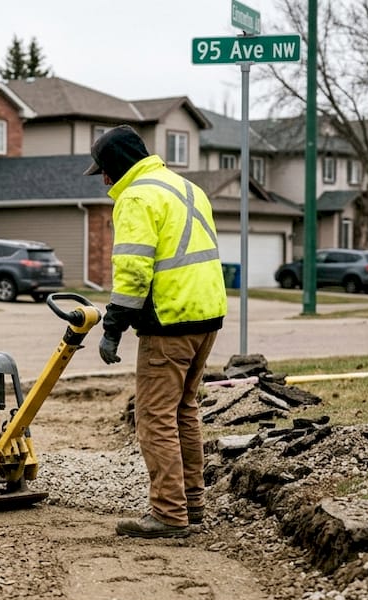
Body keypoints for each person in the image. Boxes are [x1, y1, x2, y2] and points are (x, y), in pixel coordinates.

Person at [84, 125, 227, 539]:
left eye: (105, 172)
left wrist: (112, 326)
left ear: (117, 167)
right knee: (184, 410)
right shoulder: (187, 188)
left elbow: (132, 270)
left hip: (169, 322)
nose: (105, 181)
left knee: (155, 417)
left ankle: (168, 513)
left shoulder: (137, 197)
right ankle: (192, 502)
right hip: (205, 316)